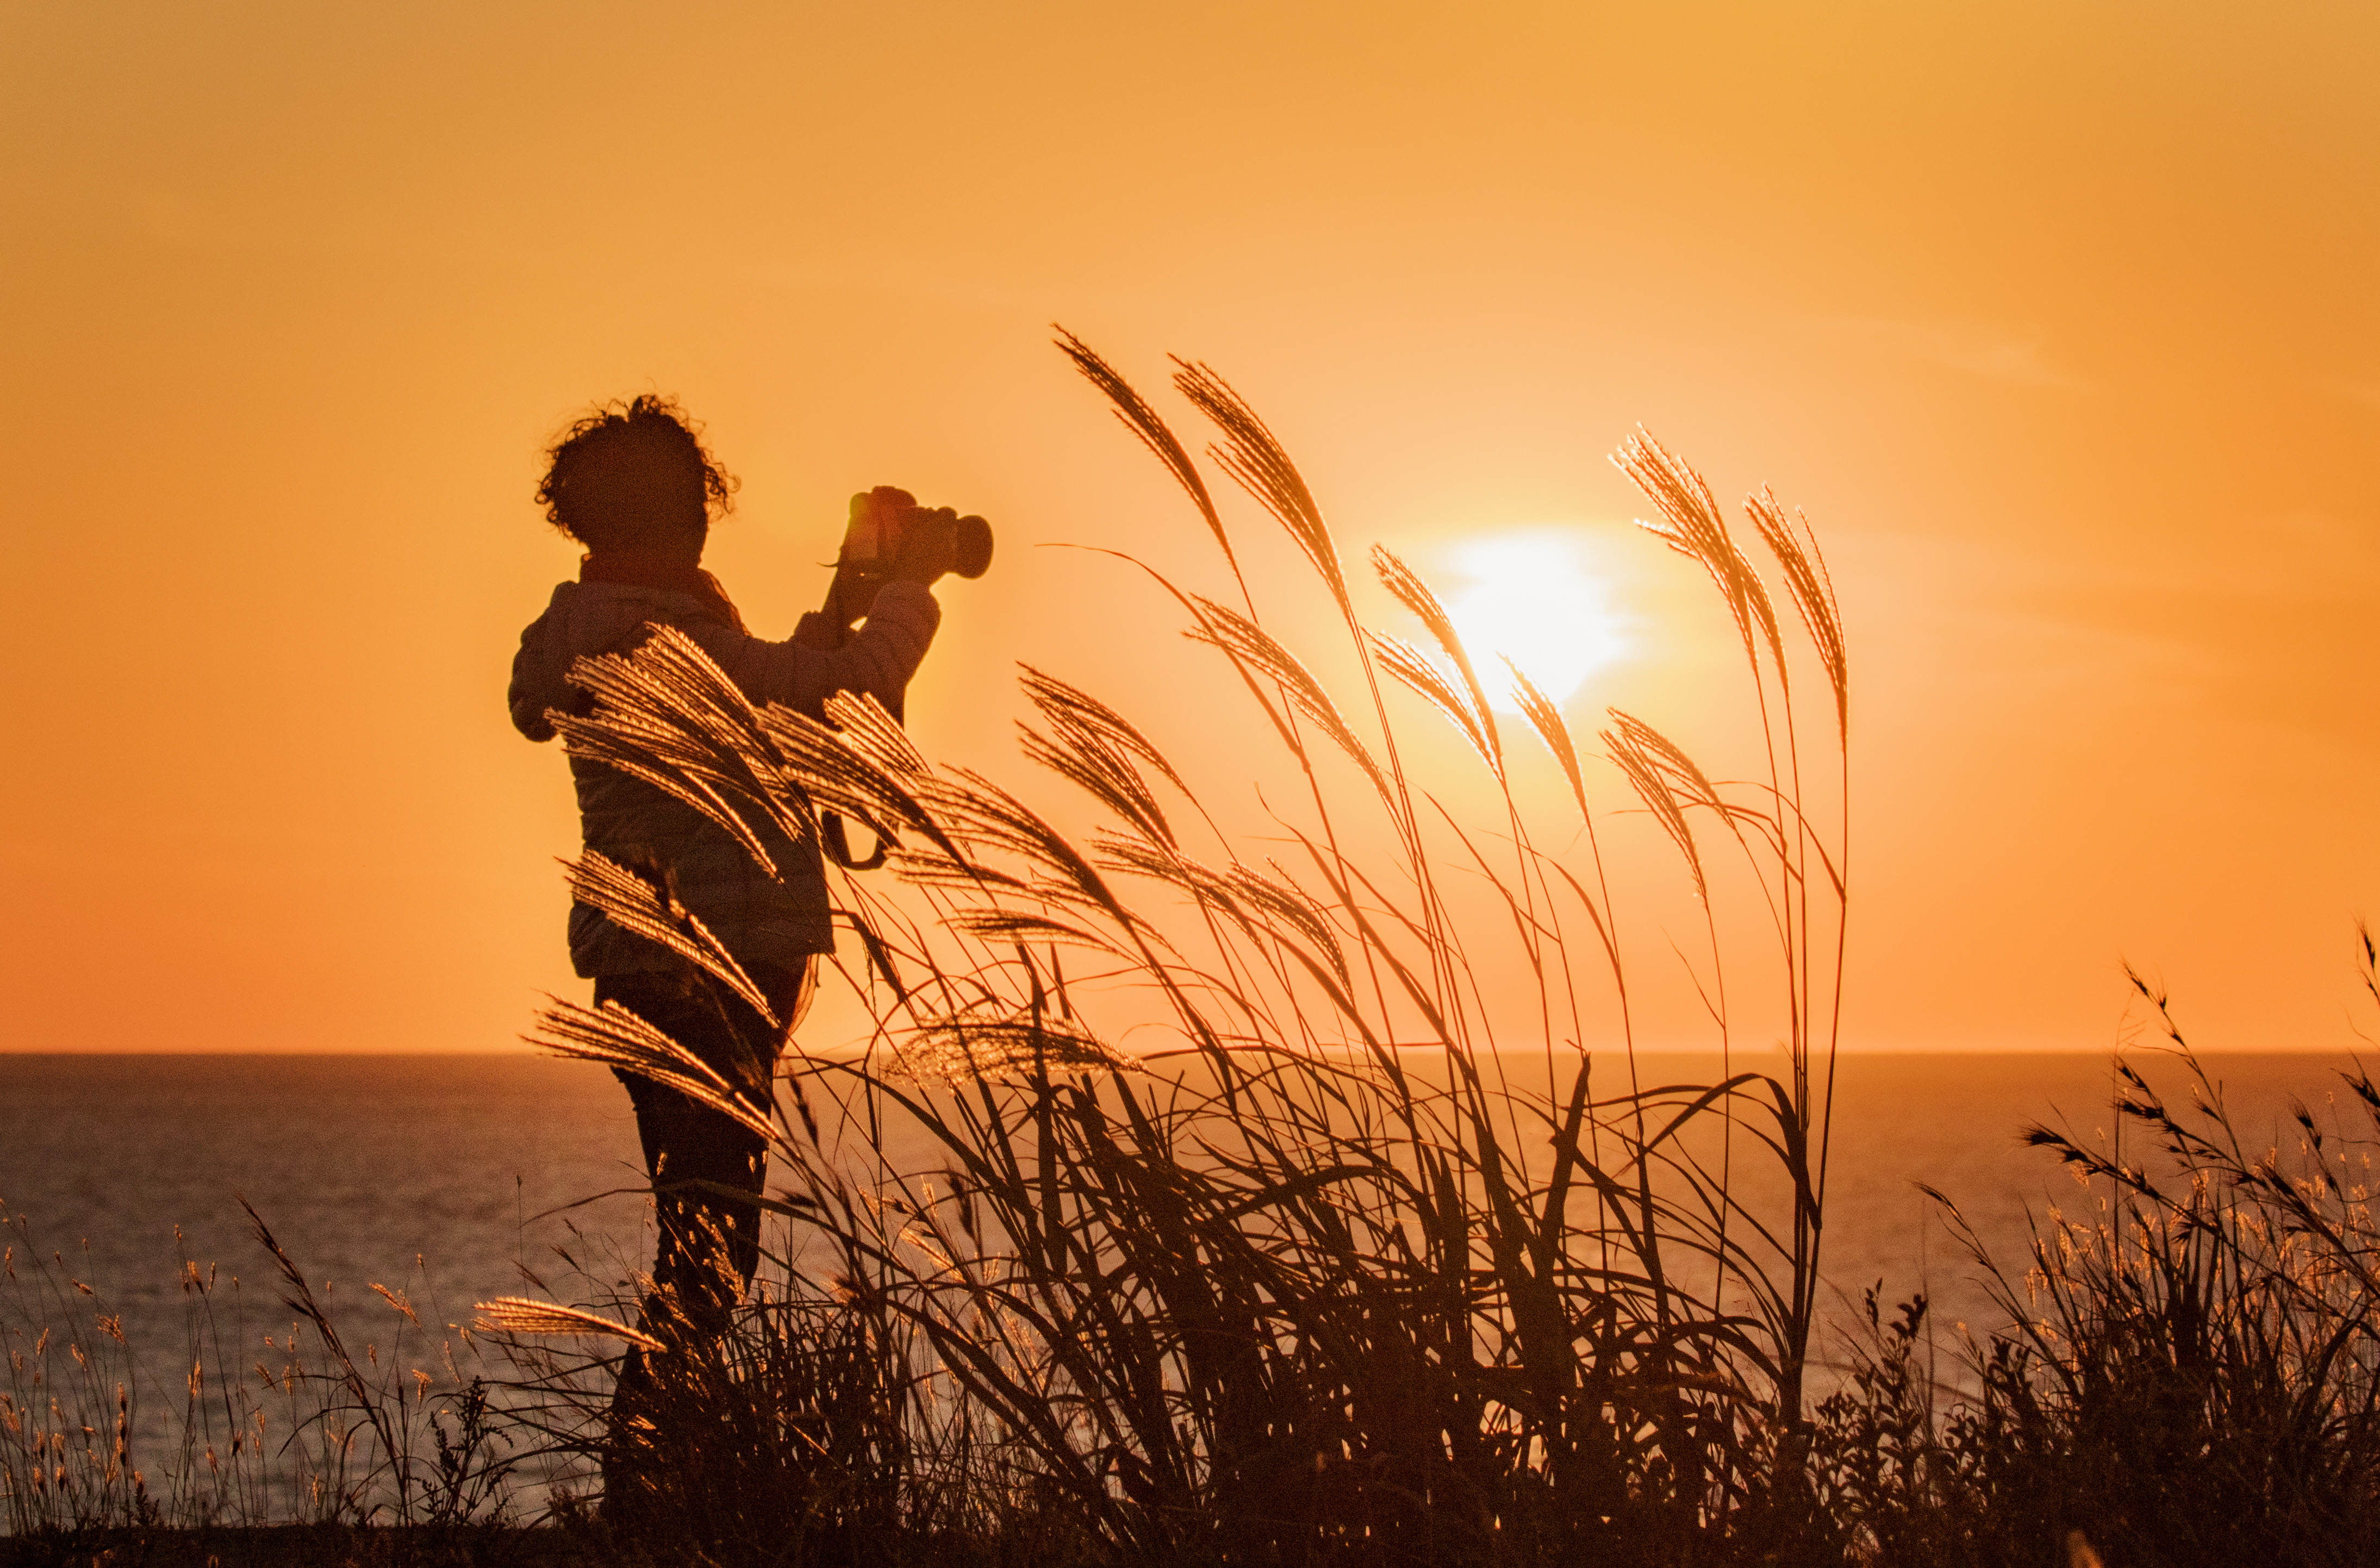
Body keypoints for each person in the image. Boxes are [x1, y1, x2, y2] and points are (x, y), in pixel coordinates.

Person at [505, 394, 949, 1496]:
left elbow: (766, 689)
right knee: (709, 1254)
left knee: (700, 1235)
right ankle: (642, 1486)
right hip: (713, 965)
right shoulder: (663, 636)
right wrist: (909, 593)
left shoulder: (597, 630)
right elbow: (846, 691)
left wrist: (848, 593)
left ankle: (658, 1478)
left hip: (644, 963)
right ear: (690, 513)